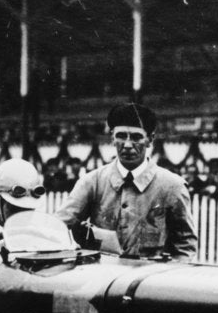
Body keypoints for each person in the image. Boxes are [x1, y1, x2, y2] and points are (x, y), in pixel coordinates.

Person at [57, 102, 197, 260]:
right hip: (103, 278)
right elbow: (58, 227)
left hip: (148, 280)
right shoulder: (93, 182)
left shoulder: (172, 186)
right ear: (112, 138)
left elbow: (185, 246)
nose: (128, 145)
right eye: (121, 136)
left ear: (150, 140)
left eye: (136, 137)